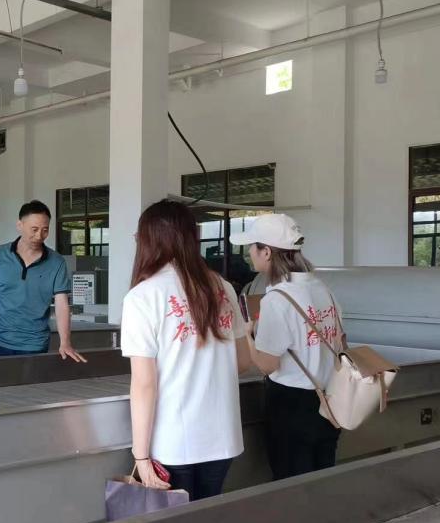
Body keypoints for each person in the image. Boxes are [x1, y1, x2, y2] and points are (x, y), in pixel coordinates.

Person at [121, 200, 251, 501]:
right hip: (223, 438)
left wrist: (140, 455)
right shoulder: (223, 288)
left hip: (175, 441)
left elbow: (144, 384)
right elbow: (243, 361)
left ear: (148, 240)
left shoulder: (143, 296)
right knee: (207, 517)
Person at [232, 213, 344, 480]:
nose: (249, 253)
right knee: (323, 478)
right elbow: (340, 340)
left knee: (292, 483)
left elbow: (268, 365)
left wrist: (248, 335)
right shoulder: (323, 289)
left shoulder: (277, 299)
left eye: (252, 246)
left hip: (292, 405)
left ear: (266, 252)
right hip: (330, 400)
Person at [0, 200, 86, 362]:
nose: (39, 236)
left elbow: (62, 304)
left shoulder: (56, 262)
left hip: (33, 344)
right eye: (34, 229)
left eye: (45, 230)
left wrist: (65, 342)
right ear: (19, 225)